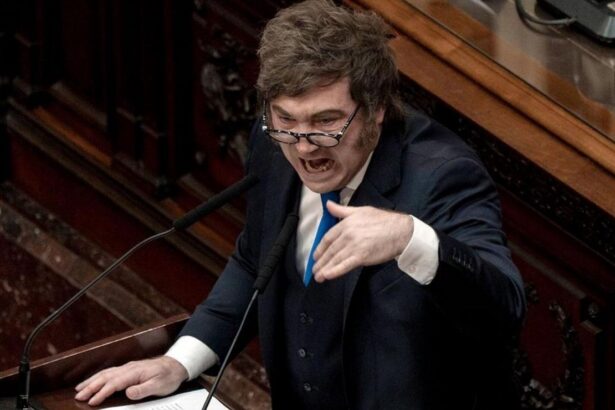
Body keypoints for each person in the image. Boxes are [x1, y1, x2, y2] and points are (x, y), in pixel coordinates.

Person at [75, 1, 526, 409]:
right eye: (286, 119)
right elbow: (256, 262)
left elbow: (504, 309)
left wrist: (412, 238)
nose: (305, 147)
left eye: (326, 122)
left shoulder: (443, 175)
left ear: (376, 109)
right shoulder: (274, 142)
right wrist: (179, 362)